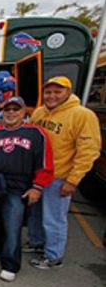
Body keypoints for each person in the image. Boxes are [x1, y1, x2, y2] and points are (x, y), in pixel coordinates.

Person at [0, 97, 54, 282]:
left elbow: (45, 163)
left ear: (24, 112)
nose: (11, 113)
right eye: (7, 109)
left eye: (16, 109)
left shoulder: (35, 133)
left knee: (12, 224)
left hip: (17, 184)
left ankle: (10, 263)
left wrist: (37, 187)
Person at [28, 76, 101, 269]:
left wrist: (73, 180)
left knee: (53, 219)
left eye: (57, 92)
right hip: (37, 176)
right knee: (35, 214)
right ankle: (36, 244)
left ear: (68, 93)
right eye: (48, 92)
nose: (52, 96)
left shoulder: (82, 115)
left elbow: (89, 151)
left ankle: (53, 256)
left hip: (59, 177)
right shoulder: (39, 112)